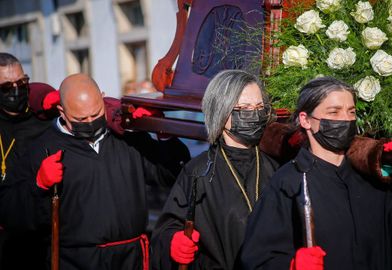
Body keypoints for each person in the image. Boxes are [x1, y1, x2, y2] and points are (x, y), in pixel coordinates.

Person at [240, 77, 392, 270]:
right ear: (306, 120)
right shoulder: (289, 182)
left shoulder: (373, 179)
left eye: (351, 112)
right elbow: (258, 258)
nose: (346, 120)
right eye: (334, 112)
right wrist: (291, 266)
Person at [3, 73, 176, 269]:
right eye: (80, 118)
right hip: (75, 262)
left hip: (130, 259)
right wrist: (38, 184)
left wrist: (164, 134)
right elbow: (10, 213)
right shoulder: (41, 148)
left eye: (96, 114)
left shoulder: (127, 139)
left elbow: (169, 174)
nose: (90, 122)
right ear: (62, 111)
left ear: (103, 99)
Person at [151, 69, 279, 270]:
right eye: (245, 108)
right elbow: (167, 229)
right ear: (221, 112)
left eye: (260, 107)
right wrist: (173, 243)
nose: (255, 115)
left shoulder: (276, 169)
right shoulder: (197, 173)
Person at [0, 52, 60, 270]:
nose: (15, 91)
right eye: (6, 87)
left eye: (21, 82)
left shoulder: (44, 119)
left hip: (44, 233)